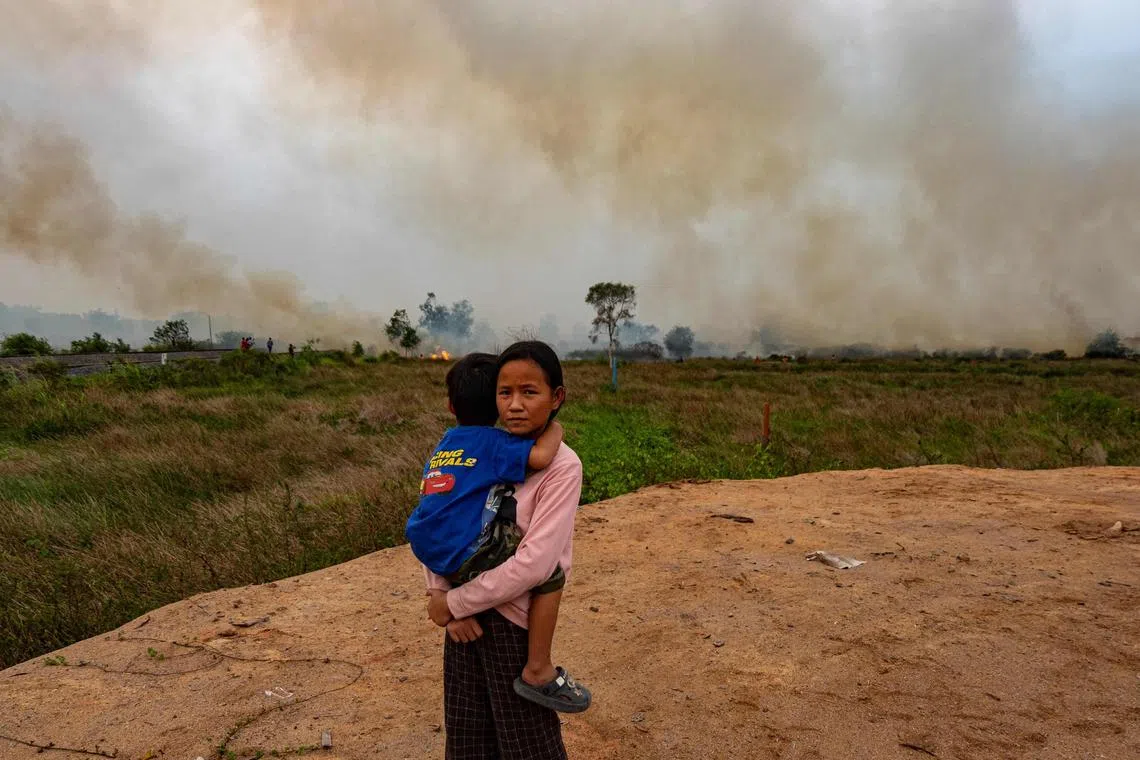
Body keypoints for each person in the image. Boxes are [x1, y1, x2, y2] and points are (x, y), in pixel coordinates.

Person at [424, 341, 588, 759]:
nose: (515, 405)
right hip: (464, 619)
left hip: (514, 621)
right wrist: (438, 593)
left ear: (557, 398)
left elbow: (534, 564)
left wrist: (455, 602)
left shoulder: (562, 467)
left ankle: (538, 668)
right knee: (467, 734)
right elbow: (440, 518)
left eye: (529, 393)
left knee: (526, 739)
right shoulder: (483, 450)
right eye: (505, 392)